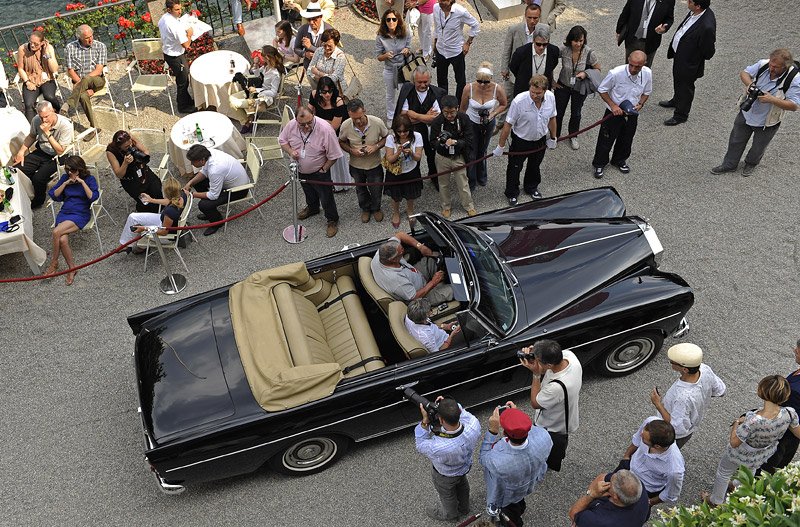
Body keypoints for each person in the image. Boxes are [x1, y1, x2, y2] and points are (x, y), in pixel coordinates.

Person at [703, 375, 800, 506]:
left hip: (739, 454)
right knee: (750, 471)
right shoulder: (790, 413)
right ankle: (737, 487)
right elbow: (798, 433)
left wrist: (737, 423)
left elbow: (734, 442)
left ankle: (715, 501)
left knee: (724, 473)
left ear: (762, 392)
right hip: (762, 453)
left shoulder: (753, 420)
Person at [710, 49, 800, 177]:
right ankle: (729, 164)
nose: (771, 68)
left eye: (775, 67)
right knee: (736, 140)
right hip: (747, 111)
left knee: (759, 146)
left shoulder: (794, 79)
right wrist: (750, 85)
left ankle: (751, 163)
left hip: (767, 121)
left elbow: (794, 106)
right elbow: (744, 73)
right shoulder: (764, 64)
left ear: (785, 67)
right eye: (770, 65)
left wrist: (772, 99)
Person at [479, 403, 552, 527]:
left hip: (508, 497)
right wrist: (518, 419)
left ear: (505, 434)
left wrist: (492, 431)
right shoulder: (545, 437)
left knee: (510, 519)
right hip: (529, 483)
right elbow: (534, 431)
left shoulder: (498, 462)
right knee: (519, 504)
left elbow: (484, 458)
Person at [518, 339, 582, 472]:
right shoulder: (569, 356)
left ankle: (542, 465)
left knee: (545, 448)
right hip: (565, 417)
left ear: (548, 364)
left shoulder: (557, 387)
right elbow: (547, 368)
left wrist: (535, 374)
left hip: (552, 425)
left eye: (538, 360)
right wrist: (537, 352)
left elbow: (535, 403)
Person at [279, 106, 343, 238]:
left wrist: (324, 169)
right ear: (296, 120)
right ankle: (313, 208)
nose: (307, 126)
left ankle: (332, 219)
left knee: (326, 197)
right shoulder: (291, 125)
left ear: (313, 115)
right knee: (308, 192)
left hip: (320, 171)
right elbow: (282, 141)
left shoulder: (325, 129)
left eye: (309, 122)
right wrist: (291, 151)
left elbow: (334, 155)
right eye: (302, 124)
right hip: (300, 169)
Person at [493, 74, 557, 205]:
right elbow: (508, 124)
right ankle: (512, 193)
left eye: (538, 93)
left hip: (540, 140)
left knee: (535, 166)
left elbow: (552, 118)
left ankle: (531, 187)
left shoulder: (551, 97)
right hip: (520, 141)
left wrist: (553, 137)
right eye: (532, 92)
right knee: (514, 168)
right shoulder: (519, 101)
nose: (534, 95)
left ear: (545, 90)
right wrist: (500, 146)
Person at [414, 395, 481, 521]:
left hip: (445, 475)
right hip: (464, 468)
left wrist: (425, 422)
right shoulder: (473, 424)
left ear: (441, 420)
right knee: (463, 487)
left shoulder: (438, 446)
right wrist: (449, 405)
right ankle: (464, 508)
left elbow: (420, 444)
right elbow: (463, 412)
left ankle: (450, 515)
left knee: (447, 495)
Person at [648, 343, 726, 448]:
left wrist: (657, 404)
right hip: (690, 428)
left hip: (669, 433)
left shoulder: (683, 397)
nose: (670, 363)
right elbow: (721, 390)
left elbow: (676, 427)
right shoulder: (704, 369)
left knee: (656, 454)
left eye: (672, 362)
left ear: (685, 369)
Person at [591, 50, 651, 179]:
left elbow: (646, 92)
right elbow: (602, 89)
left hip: (632, 112)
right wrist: (613, 106)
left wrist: (641, 103)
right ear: (628, 60)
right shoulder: (616, 73)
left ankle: (619, 160)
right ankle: (599, 163)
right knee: (606, 139)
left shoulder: (647, 73)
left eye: (638, 66)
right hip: (614, 112)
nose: (633, 69)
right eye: (631, 65)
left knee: (627, 138)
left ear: (644, 64)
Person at [44, 155, 99, 286]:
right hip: (65, 212)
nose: (69, 172)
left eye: (72, 170)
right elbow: (54, 194)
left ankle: (54, 263)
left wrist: (82, 182)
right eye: (68, 169)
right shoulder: (65, 178)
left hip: (80, 213)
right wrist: (64, 183)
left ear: (79, 169)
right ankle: (72, 269)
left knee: (56, 232)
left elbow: (93, 197)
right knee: (62, 239)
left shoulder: (89, 179)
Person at [660, 0, 716, 126]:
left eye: (690, 1)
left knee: (685, 87)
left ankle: (681, 114)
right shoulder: (696, 12)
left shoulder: (707, 26)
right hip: (680, 56)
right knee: (678, 80)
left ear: (698, 6)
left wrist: (693, 57)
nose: (687, 2)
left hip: (689, 62)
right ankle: (676, 100)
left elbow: (708, 51)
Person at [12, 100, 74, 208]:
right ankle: (23, 195)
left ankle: (38, 201)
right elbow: (31, 136)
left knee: (38, 178)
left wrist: (47, 132)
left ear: (53, 111)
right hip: (42, 151)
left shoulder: (65, 125)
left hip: (58, 156)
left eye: (46, 116)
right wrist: (21, 152)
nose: (43, 120)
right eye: (41, 117)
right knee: (17, 169)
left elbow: (60, 150)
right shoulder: (36, 120)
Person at [338, 99, 389, 223]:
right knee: (360, 190)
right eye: (354, 119)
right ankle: (365, 208)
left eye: (360, 117)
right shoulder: (345, 125)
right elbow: (341, 141)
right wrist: (351, 150)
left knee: (376, 189)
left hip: (374, 164)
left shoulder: (377, 122)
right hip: (356, 165)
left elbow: (387, 137)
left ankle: (376, 208)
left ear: (364, 110)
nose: (358, 121)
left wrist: (375, 147)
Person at [182, 145, 250, 236]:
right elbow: (204, 172)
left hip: (239, 190)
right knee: (197, 182)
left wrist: (192, 194)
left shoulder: (215, 170)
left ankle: (217, 223)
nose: (191, 164)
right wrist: (190, 183)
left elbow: (213, 196)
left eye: (193, 161)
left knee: (203, 205)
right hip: (230, 181)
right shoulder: (208, 153)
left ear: (202, 160)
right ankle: (211, 211)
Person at [371, 230, 454, 304]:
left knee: (436, 258)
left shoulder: (382, 253)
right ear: (393, 259)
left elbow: (400, 234)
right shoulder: (396, 281)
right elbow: (414, 297)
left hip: (415, 275)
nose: (403, 251)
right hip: (421, 297)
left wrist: (420, 247)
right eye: (401, 253)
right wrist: (433, 282)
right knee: (453, 290)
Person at [460, 62, 507, 189]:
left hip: (488, 123)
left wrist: (492, 114)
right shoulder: (468, 88)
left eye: (485, 82)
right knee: (472, 151)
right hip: (471, 123)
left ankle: (482, 176)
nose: (482, 84)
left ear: (491, 79)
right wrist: (462, 126)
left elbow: (503, 103)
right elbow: (462, 109)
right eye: (479, 81)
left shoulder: (497, 88)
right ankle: (471, 180)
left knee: (483, 150)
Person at [553, 25, 600, 150]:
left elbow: (598, 69)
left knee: (576, 113)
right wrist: (551, 81)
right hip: (563, 85)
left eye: (581, 41)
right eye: (575, 41)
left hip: (579, 87)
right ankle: (555, 136)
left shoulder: (589, 52)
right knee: (558, 112)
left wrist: (585, 73)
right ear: (570, 40)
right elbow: (550, 61)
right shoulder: (563, 49)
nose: (578, 44)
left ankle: (573, 135)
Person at [396, 66, 445, 186]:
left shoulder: (437, 92)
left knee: (432, 154)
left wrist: (414, 115)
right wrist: (424, 116)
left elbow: (435, 118)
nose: (423, 85)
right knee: (412, 154)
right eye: (420, 82)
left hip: (429, 131)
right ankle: (414, 181)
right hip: (412, 131)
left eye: (425, 82)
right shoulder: (407, 90)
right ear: (413, 81)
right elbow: (404, 117)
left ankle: (434, 177)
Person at [620, 417, 685, 506]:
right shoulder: (651, 422)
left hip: (643, 488)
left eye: (644, 439)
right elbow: (636, 439)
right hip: (628, 466)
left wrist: (649, 502)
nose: (641, 435)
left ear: (657, 446)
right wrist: (626, 456)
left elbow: (671, 494)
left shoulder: (674, 469)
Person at [430, 94, 475, 217]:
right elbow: (432, 142)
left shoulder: (464, 119)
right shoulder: (437, 122)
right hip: (442, 157)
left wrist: (456, 142)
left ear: (457, 108)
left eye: (452, 112)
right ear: (442, 110)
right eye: (446, 112)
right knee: (443, 184)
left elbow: (470, 139)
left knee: (463, 183)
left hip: (458, 156)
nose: (449, 115)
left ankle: (468, 205)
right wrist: (442, 143)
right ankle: (446, 206)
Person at [498, 4, 542, 130]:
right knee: (507, 97)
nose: (532, 21)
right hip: (514, 72)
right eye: (529, 18)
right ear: (525, 16)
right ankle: (500, 122)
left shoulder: (543, 29)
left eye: (535, 18)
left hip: (533, 72)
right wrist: (504, 68)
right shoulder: (514, 29)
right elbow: (507, 50)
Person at [761, 339, 800, 473]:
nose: (795, 350)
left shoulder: (796, 391)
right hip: (789, 434)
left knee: (765, 470)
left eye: (798, 349)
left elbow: (783, 414)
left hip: (781, 436)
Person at [118, 177, 186, 253]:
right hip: (165, 222)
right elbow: (169, 201)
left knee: (140, 229)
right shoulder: (182, 195)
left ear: (167, 193)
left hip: (167, 236)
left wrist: (144, 228)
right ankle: (125, 245)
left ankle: (139, 246)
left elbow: (164, 232)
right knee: (132, 217)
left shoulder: (169, 212)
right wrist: (151, 200)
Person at [308, 76, 351, 191]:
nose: (327, 95)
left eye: (330, 91)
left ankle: (339, 184)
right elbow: (308, 113)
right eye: (324, 92)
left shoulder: (338, 102)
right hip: (320, 130)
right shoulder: (314, 95)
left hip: (335, 135)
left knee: (336, 160)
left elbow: (334, 127)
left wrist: (316, 120)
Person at [62, 24, 107, 133]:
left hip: (97, 81)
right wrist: (83, 85)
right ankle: (94, 127)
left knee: (87, 78)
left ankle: (68, 104)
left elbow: (99, 70)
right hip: (80, 84)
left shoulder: (100, 46)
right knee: (82, 96)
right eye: (86, 38)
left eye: (91, 36)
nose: (90, 39)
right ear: (80, 38)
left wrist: (84, 81)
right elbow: (70, 70)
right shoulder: (70, 48)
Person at [382, 115, 424, 229]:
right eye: (399, 131)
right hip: (396, 172)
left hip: (411, 170)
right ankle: (396, 212)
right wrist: (398, 152)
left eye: (405, 131)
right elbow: (390, 159)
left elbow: (418, 157)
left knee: (411, 194)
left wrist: (411, 152)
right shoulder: (391, 138)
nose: (402, 134)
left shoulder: (417, 136)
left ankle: (410, 210)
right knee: (395, 195)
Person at [432, 0, 479, 101]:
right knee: (441, 79)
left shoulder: (460, 11)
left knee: (460, 80)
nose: (440, 2)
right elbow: (437, 28)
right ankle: (443, 103)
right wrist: (435, 43)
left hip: (456, 52)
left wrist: (468, 43)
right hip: (441, 50)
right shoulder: (436, 8)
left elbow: (475, 24)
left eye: (444, 0)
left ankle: (458, 103)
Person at [106, 130, 163, 213]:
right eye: (126, 147)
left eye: (130, 144)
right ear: (119, 147)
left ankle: (161, 209)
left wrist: (139, 155)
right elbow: (119, 175)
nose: (130, 147)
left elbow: (146, 152)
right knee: (146, 203)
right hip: (131, 180)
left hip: (144, 172)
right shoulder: (111, 152)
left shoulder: (130, 139)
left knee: (157, 190)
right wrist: (125, 163)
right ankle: (149, 215)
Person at [569, 470, 650, 527]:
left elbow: (574, 513)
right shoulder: (639, 490)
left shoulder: (597, 521)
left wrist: (591, 494)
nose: (607, 482)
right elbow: (603, 477)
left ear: (615, 496)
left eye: (610, 483)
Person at [235, 45, 285, 134]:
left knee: (236, 103)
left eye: (261, 54)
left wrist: (257, 90)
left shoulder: (275, 74)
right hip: (258, 92)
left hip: (265, 98)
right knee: (232, 99)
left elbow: (273, 93)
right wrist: (256, 64)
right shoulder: (266, 66)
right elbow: (258, 75)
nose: (260, 56)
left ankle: (248, 122)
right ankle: (248, 121)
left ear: (267, 57)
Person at [159, 0, 196, 114]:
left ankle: (188, 101)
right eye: (177, 10)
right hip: (176, 56)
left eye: (180, 9)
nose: (180, 12)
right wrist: (189, 34)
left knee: (183, 79)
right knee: (183, 81)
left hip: (169, 53)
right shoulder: (174, 25)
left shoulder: (164, 18)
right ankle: (183, 106)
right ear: (169, 9)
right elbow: (186, 45)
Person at [16, 30, 61, 122]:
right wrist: (27, 82)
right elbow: (20, 69)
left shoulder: (48, 48)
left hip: (47, 78)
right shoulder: (22, 49)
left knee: (49, 96)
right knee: (28, 104)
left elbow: (54, 69)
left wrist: (47, 54)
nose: (32, 45)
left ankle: (58, 114)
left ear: (42, 43)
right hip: (30, 79)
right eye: (31, 42)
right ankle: (32, 129)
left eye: (36, 44)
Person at [376, 8, 411, 122]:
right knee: (390, 95)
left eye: (394, 19)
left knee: (404, 93)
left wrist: (407, 50)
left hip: (403, 69)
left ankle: (404, 115)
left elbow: (409, 48)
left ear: (398, 21)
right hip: (389, 69)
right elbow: (378, 57)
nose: (391, 22)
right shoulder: (380, 37)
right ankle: (390, 117)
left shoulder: (406, 33)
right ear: (385, 22)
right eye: (388, 20)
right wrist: (385, 55)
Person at [616, 0, 675, 68]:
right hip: (632, 39)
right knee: (630, 65)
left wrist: (665, 27)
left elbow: (669, 18)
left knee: (645, 68)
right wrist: (619, 30)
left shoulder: (669, 1)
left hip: (651, 41)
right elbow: (626, 12)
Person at [508, 24, 559, 97]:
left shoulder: (553, 51)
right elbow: (513, 67)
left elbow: (553, 65)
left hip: (543, 91)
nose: (541, 47)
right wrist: (522, 77)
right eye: (538, 44)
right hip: (524, 90)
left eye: (544, 44)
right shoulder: (521, 52)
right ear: (533, 40)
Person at [293, 3, 334, 72]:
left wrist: (310, 47)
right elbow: (296, 48)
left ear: (321, 17)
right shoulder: (303, 29)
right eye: (309, 19)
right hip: (309, 67)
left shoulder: (329, 30)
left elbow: (331, 53)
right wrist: (305, 54)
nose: (311, 22)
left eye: (314, 19)